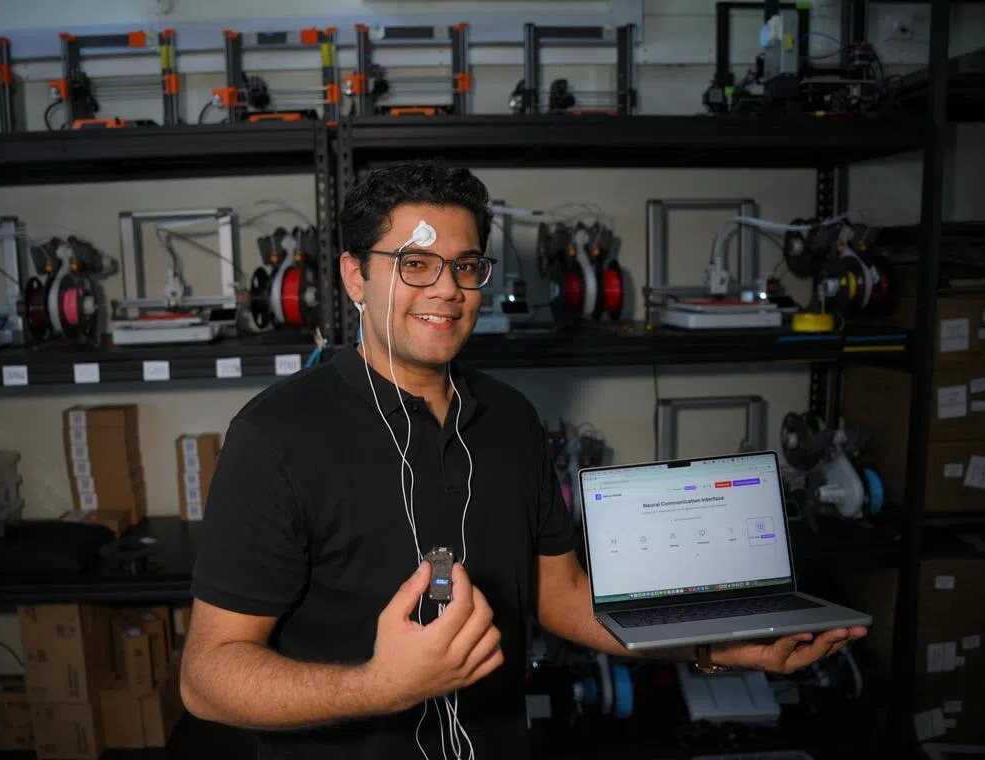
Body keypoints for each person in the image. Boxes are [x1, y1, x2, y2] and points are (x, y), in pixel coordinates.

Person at [179, 160, 868, 759]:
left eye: (467, 266)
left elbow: (562, 598)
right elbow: (206, 679)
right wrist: (379, 687)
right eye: (414, 264)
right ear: (356, 276)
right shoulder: (276, 437)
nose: (447, 290)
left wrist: (713, 647)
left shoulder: (509, 419)